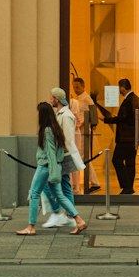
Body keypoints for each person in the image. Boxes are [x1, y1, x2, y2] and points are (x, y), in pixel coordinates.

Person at [16, 102, 86, 237]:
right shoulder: (55, 128)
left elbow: (51, 153)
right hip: (52, 167)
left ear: (42, 114)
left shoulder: (47, 130)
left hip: (45, 167)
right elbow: (58, 151)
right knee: (60, 195)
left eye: (38, 112)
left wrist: (53, 172)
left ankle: (31, 227)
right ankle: (79, 220)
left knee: (34, 194)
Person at [43, 87, 84, 228]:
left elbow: (67, 138)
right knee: (66, 185)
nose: (50, 100)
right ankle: (69, 215)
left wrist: (57, 156)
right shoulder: (62, 114)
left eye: (52, 97)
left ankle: (60, 213)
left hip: (63, 155)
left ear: (57, 99)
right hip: (64, 155)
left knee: (49, 184)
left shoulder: (65, 116)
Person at [99, 77, 139, 195]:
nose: (119, 90)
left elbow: (124, 118)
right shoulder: (135, 99)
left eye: (119, 88)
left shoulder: (129, 101)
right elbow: (129, 117)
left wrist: (107, 119)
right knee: (130, 162)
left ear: (122, 88)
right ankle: (128, 187)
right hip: (133, 136)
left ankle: (127, 186)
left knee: (117, 160)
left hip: (126, 137)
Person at [71, 76, 101, 192]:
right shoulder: (77, 99)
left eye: (77, 87)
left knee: (83, 157)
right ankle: (92, 182)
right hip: (80, 132)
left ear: (83, 86)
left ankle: (93, 182)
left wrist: (82, 123)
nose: (75, 89)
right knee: (83, 158)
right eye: (74, 87)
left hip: (84, 132)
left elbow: (93, 116)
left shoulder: (87, 99)